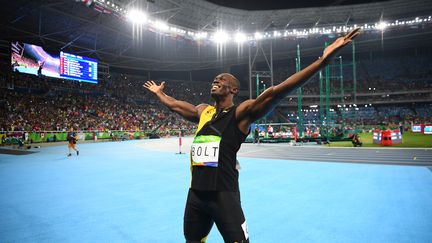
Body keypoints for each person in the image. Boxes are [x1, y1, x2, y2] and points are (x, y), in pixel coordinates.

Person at [144, 28, 360, 243]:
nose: (216, 79)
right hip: (196, 195)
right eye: (215, 78)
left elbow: (278, 91)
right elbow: (175, 105)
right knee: (192, 240)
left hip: (224, 196)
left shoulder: (240, 114)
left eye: (222, 79)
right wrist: (160, 93)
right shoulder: (203, 111)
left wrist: (323, 61)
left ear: (234, 90)